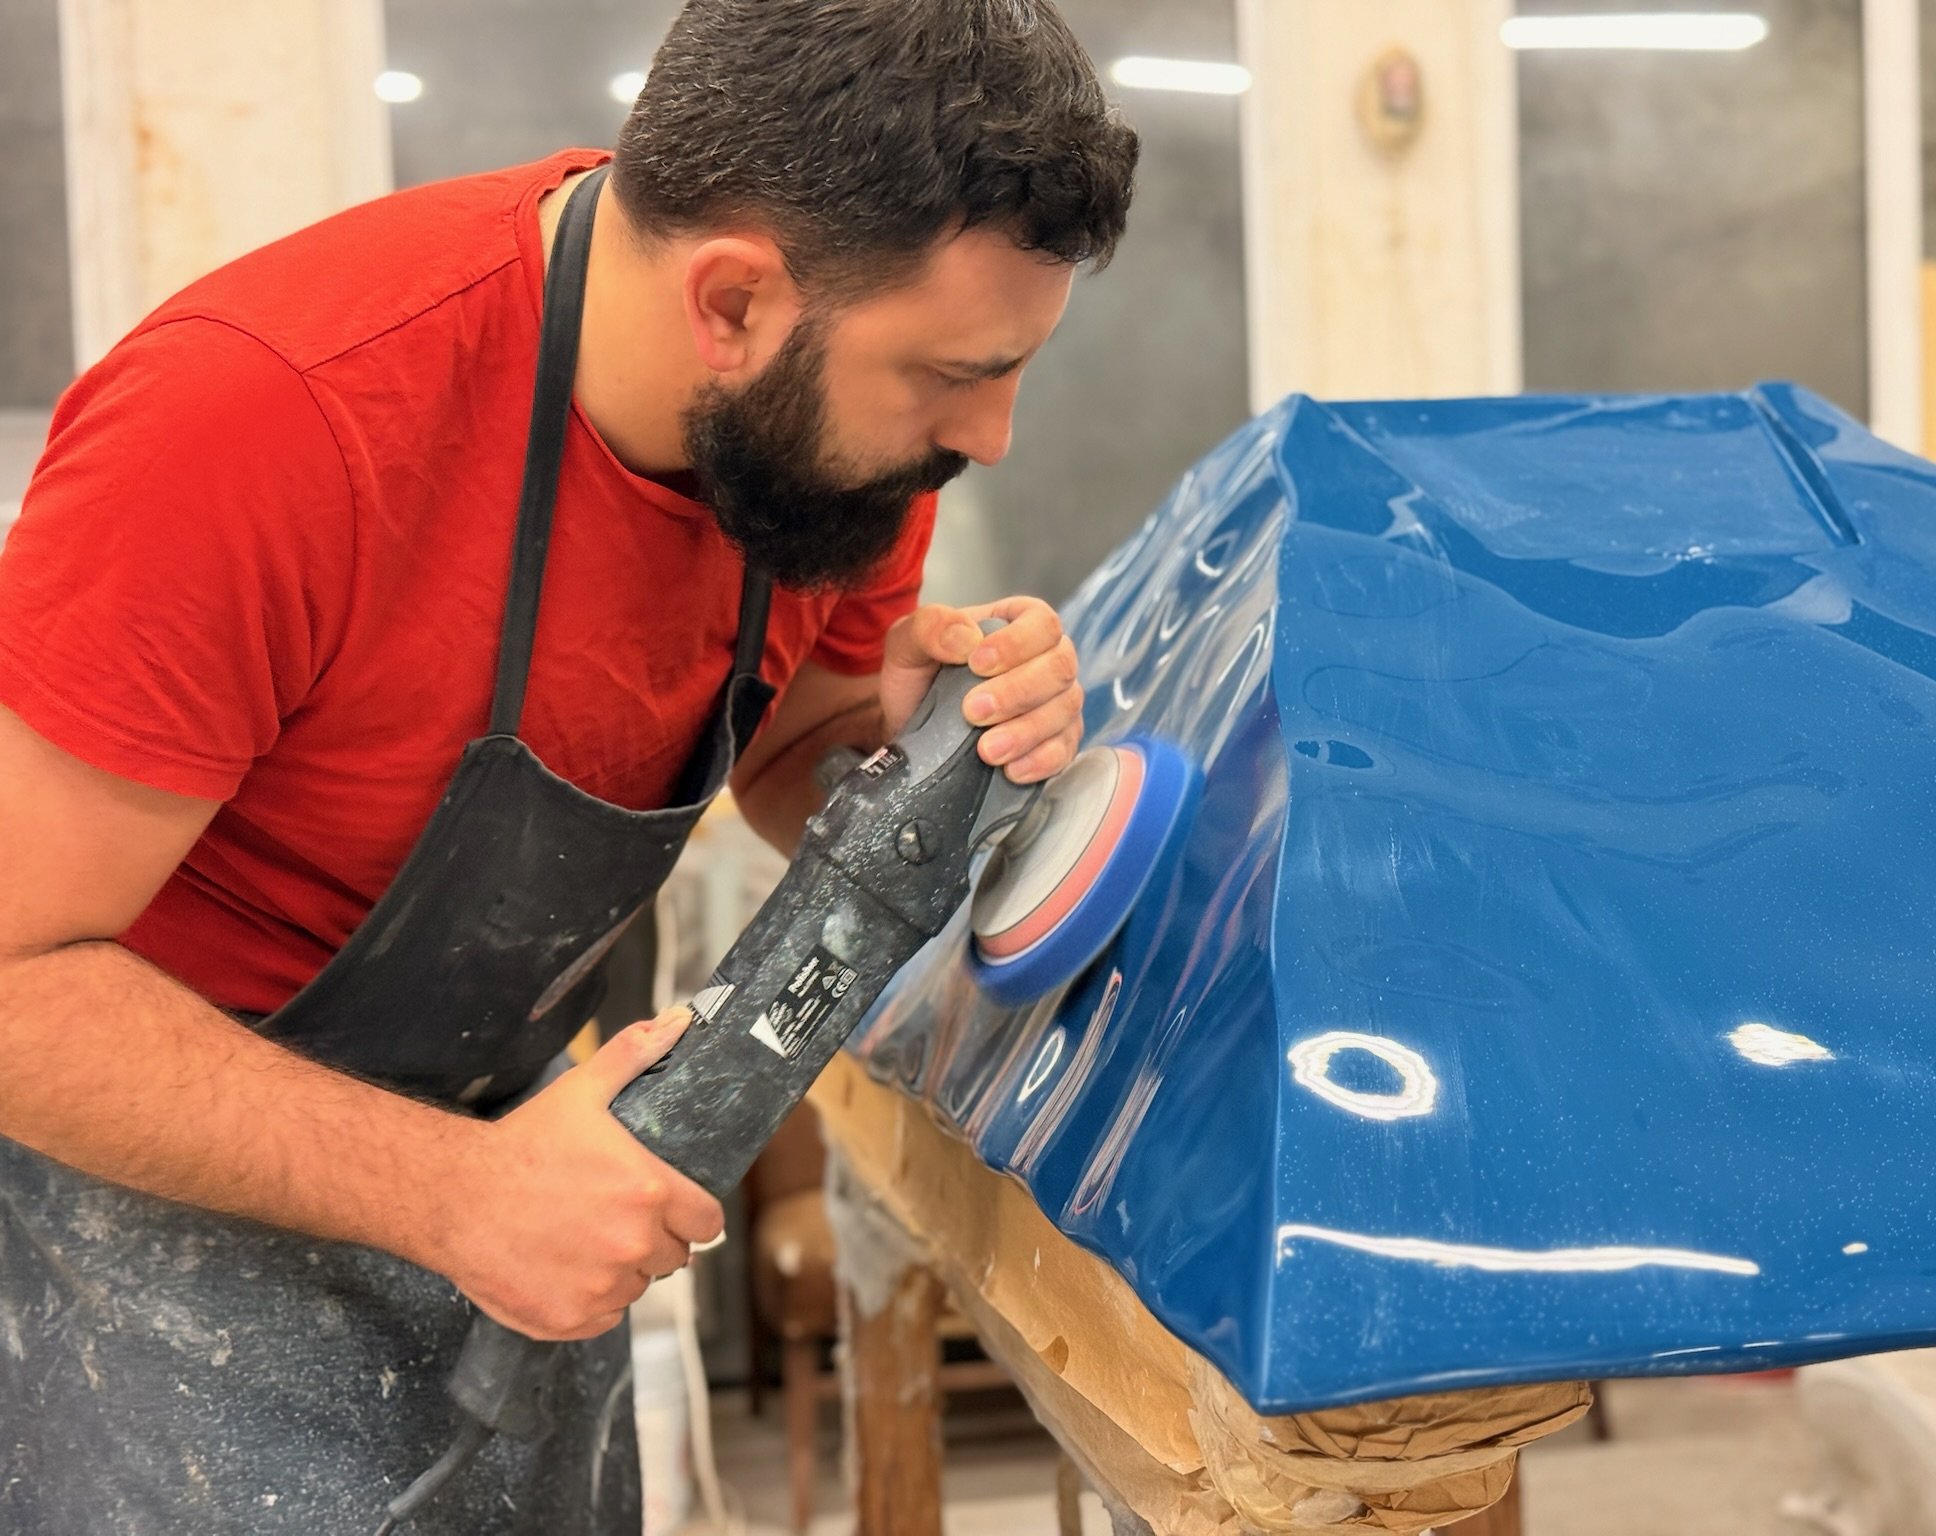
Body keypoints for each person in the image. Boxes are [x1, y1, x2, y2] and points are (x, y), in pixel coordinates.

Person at [0, 1, 1139, 1529]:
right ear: (729, 303)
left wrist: (906, 747)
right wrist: (454, 1196)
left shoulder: (821, 457)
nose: (989, 436)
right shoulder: (268, 420)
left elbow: (788, 757)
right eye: (946, 376)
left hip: (529, 1176)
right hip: (155, 1218)